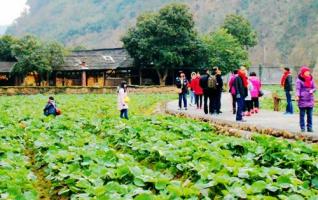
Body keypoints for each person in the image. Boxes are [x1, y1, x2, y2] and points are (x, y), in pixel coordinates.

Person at [296, 66, 316, 132]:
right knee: (302, 115)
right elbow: (298, 89)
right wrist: (298, 96)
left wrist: (312, 90)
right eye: (306, 72)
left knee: (309, 115)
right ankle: (302, 128)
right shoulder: (299, 80)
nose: (308, 73)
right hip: (302, 99)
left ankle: (309, 127)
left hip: (310, 99)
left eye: (308, 71)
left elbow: (314, 87)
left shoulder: (311, 79)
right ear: (303, 72)